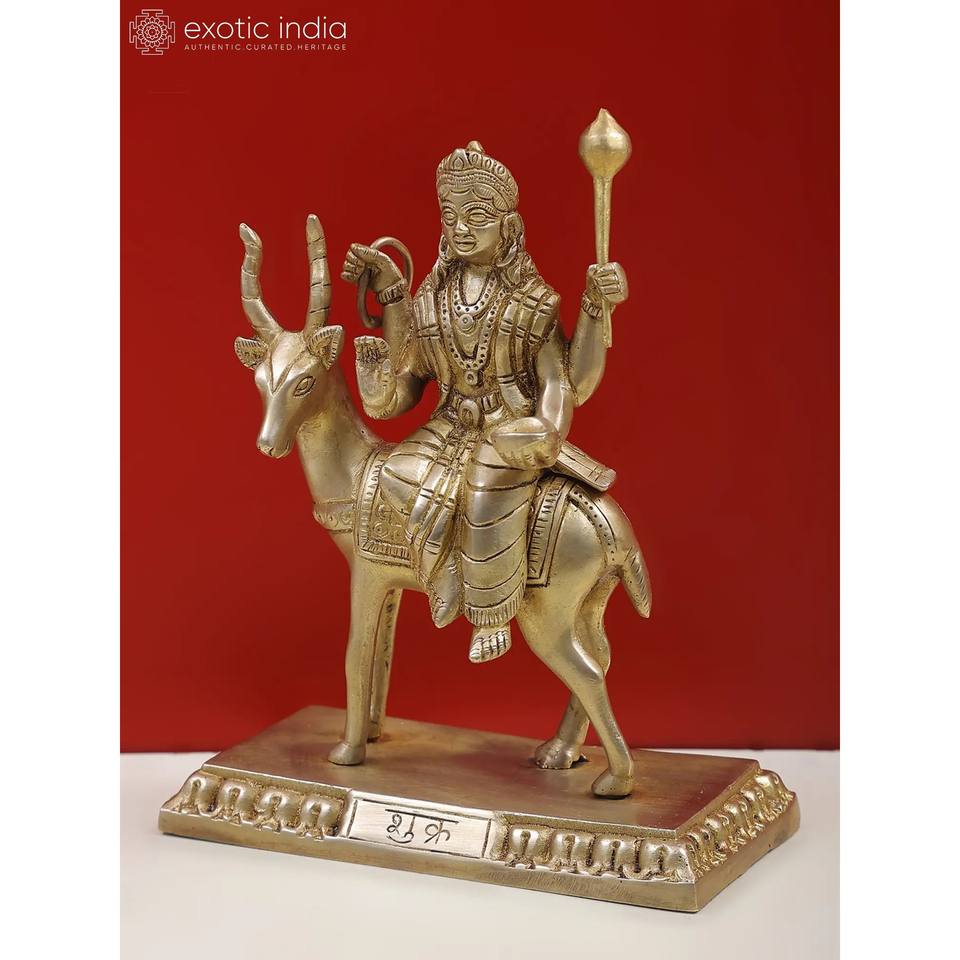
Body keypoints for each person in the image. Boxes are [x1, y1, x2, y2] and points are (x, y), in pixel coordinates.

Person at [342, 141, 627, 664]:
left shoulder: (531, 302)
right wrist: (379, 375)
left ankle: (491, 610)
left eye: (477, 216)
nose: (461, 228)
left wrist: (549, 424)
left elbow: (565, 382)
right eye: (450, 216)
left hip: (509, 428)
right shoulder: (433, 298)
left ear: (508, 227)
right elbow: (408, 387)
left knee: (486, 485)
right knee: (394, 471)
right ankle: (446, 569)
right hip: (450, 423)